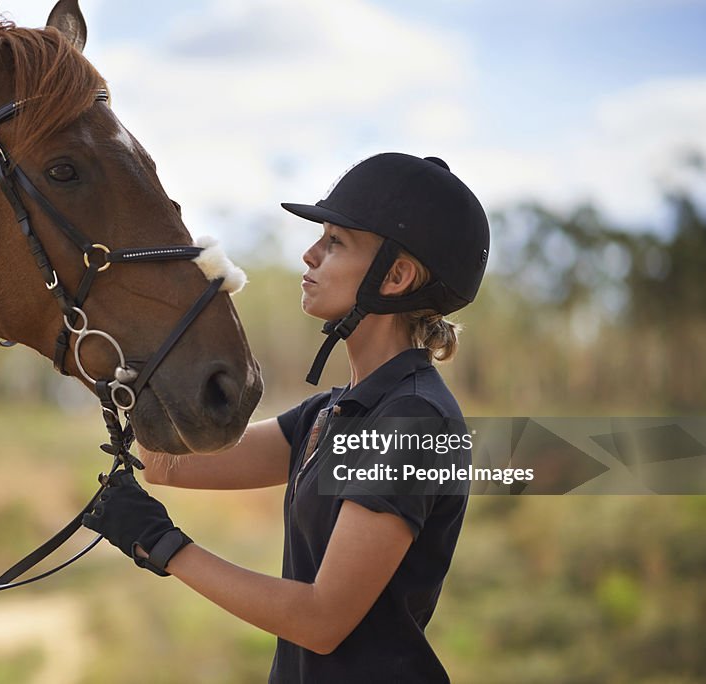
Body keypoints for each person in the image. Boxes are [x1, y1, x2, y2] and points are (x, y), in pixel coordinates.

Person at [82, 152, 490, 683]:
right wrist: (126, 334)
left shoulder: (413, 420)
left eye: (336, 242)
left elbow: (322, 620)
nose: (310, 253)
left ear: (396, 276)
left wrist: (165, 547)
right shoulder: (333, 412)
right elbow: (167, 465)